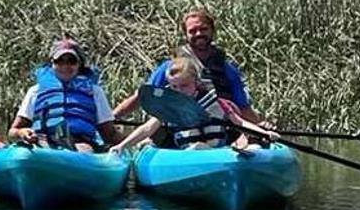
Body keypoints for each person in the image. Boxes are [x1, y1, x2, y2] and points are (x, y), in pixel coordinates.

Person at [112, 7, 270, 126]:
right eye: (193, 31)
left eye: (203, 29)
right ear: (186, 35)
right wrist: (113, 118)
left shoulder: (228, 71)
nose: (199, 34)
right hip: (179, 133)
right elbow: (140, 97)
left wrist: (261, 125)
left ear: (213, 31)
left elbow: (244, 109)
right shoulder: (170, 68)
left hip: (218, 134)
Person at [110, 50, 254, 152]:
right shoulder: (169, 107)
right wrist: (121, 146)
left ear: (196, 82)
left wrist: (261, 132)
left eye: (184, 86)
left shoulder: (217, 102)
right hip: (188, 153)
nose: (178, 91)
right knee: (196, 147)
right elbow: (147, 128)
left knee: (254, 147)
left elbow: (241, 124)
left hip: (217, 151)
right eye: (174, 87)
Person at [5, 38, 121, 151]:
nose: (65, 66)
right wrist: (21, 133)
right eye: (60, 61)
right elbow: (12, 132)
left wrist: (131, 143)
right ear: (52, 64)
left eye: (71, 61)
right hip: (42, 141)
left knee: (85, 150)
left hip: (80, 142)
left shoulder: (95, 92)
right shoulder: (35, 91)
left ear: (79, 64)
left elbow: (109, 134)